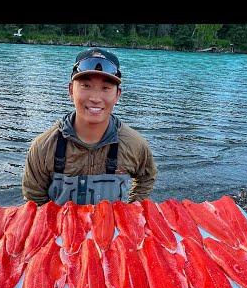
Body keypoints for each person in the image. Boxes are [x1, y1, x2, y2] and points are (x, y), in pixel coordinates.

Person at [22, 47, 157, 205]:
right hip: (61, 229)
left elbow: (147, 178)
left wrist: (133, 211)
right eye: (86, 86)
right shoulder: (42, 148)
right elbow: (34, 200)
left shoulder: (135, 145)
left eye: (105, 88)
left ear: (117, 95)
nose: (95, 98)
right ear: (71, 90)